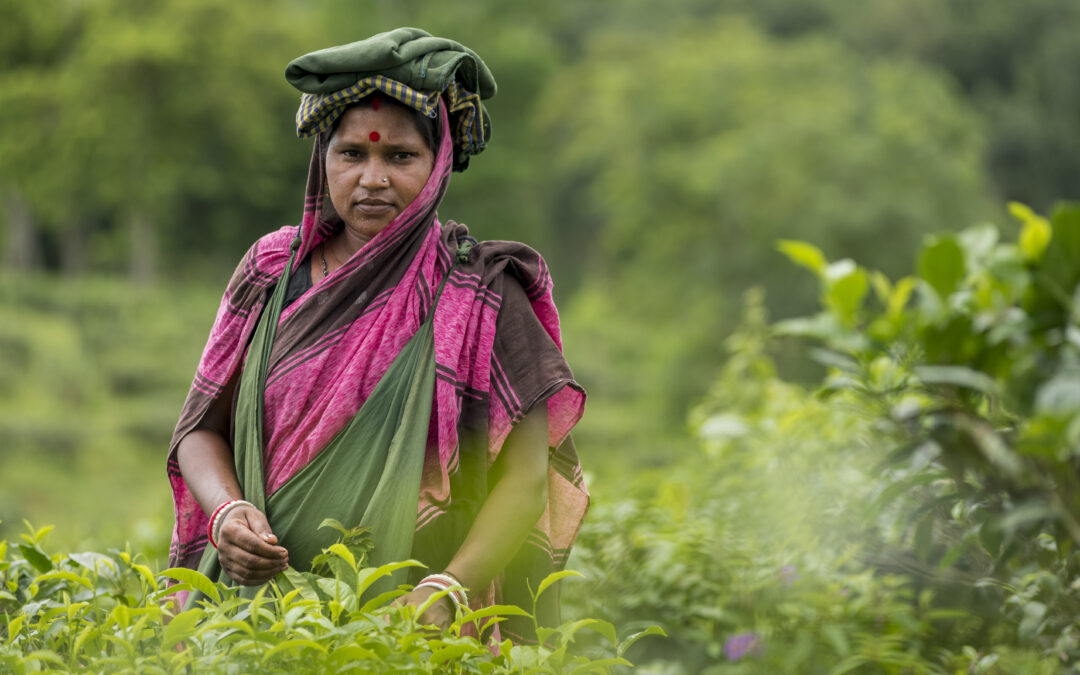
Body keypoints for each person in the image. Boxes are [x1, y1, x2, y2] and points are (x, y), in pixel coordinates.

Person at [166, 28, 588, 640]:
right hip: (253, 616)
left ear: (438, 163)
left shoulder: (485, 290)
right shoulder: (271, 272)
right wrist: (228, 512)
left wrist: (445, 591)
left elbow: (523, 481)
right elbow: (199, 430)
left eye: (400, 156)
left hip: (419, 630)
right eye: (351, 154)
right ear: (323, 159)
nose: (372, 179)